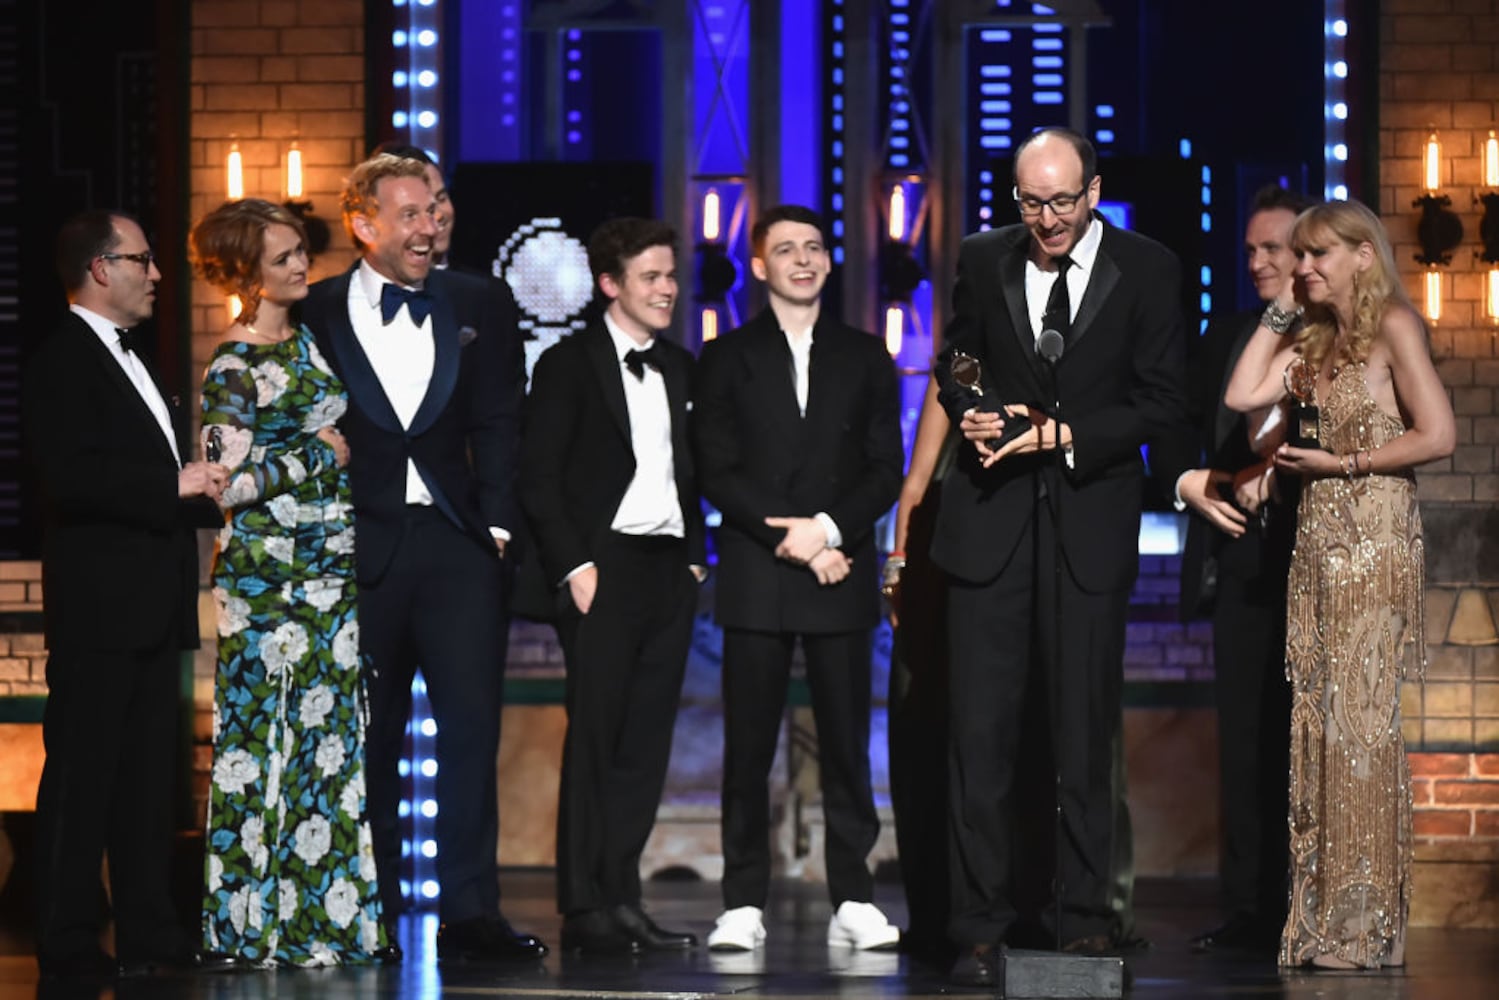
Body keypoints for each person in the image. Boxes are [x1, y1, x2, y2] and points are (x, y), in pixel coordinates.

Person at [930, 128, 1187, 986]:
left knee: (1080, 734)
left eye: (1063, 201)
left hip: (1086, 523)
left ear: (1093, 190)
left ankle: (1082, 923)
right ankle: (977, 927)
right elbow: (959, 357)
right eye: (1031, 202)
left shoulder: (1147, 268)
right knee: (981, 734)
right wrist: (970, 405)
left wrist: (1065, 433)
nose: (1047, 219)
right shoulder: (981, 256)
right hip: (990, 523)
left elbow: (1159, 401)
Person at [300, 153, 545, 963]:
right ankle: (369, 908)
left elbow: (502, 421)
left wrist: (499, 528)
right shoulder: (318, 308)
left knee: (470, 736)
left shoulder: (478, 298)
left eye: (435, 211)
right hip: (358, 547)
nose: (429, 227)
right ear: (364, 224)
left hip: (457, 549)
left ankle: (471, 914)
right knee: (368, 736)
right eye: (409, 214)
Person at [1224, 198, 1454, 970]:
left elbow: (1437, 433)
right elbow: (1240, 395)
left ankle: (1365, 927)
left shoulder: (1393, 324)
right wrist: (1284, 309)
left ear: (1362, 255)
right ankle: (1323, 920)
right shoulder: (1314, 338)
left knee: (1361, 728)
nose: (1302, 267)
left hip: (1375, 541)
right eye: (1298, 256)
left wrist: (1346, 463)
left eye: (1318, 255)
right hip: (1319, 547)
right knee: (1318, 727)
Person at [24, 211, 234, 977]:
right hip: (100, 609)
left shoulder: (132, 359)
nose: (155, 274)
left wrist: (202, 488)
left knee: (149, 783)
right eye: (142, 260)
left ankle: (151, 935)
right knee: (83, 780)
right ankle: (70, 940)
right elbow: (67, 478)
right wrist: (168, 482)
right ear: (99, 269)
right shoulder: (60, 363)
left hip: (152, 606)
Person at [693, 205, 905, 953]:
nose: (803, 260)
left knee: (847, 747)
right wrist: (800, 540)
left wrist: (830, 533)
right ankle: (741, 901)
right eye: (785, 249)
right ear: (759, 266)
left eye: (813, 247)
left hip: (839, 573)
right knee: (747, 748)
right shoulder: (724, 357)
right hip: (756, 573)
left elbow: (886, 468)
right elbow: (715, 467)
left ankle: (853, 896)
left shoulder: (865, 354)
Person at [190, 198, 384, 966]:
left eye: (301, 251)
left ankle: (323, 926)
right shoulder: (234, 368)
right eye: (282, 258)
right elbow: (220, 487)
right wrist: (313, 457)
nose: (301, 265)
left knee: (326, 755)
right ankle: (250, 926)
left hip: (329, 578)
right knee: (261, 750)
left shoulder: (303, 343)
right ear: (244, 273)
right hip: (268, 588)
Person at [520, 217, 704, 955]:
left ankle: (623, 896)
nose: (667, 289)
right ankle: (585, 905)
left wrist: (693, 556)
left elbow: (692, 471)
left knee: (645, 745)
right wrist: (576, 567)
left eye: (669, 276)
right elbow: (538, 478)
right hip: (604, 569)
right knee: (596, 738)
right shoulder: (567, 364)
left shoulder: (682, 366)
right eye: (650, 277)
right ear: (610, 284)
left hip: (667, 568)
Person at [1157, 186, 1310, 955]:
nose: (1256, 262)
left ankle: (1307, 906)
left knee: (1305, 740)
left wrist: (1276, 470)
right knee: (1245, 741)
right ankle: (1250, 907)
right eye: (1249, 249)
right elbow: (1172, 425)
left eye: (1272, 248)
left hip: (1317, 560)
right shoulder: (1228, 333)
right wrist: (1186, 482)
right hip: (1243, 557)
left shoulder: (1338, 336)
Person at [369, 142, 456, 270]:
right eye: (412, 212)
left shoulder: (481, 288)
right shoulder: (348, 288)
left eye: (441, 198)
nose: (438, 215)